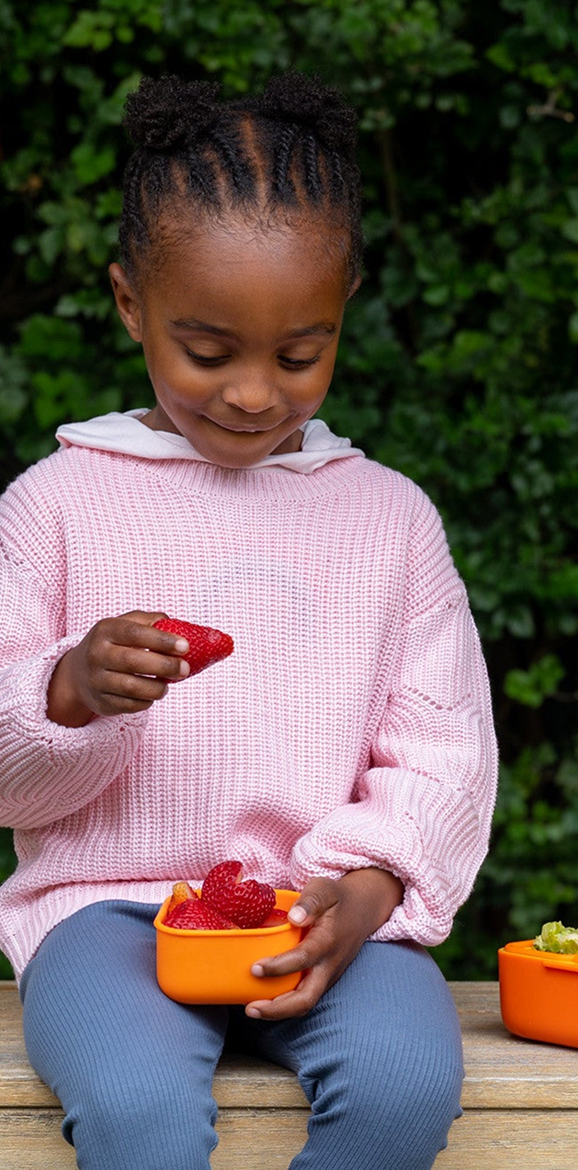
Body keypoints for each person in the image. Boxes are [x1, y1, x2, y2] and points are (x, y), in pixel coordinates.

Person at [0, 71, 497, 1170]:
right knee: (138, 1113)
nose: (253, 395)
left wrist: (366, 890)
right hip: (108, 914)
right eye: (208, 352)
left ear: (343, 311)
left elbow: (442, 753)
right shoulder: (54, 507)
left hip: (321, 905)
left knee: (406, 1082)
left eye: (299, 353)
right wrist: (67, 691)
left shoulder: (389, 520)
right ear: (130, 303)